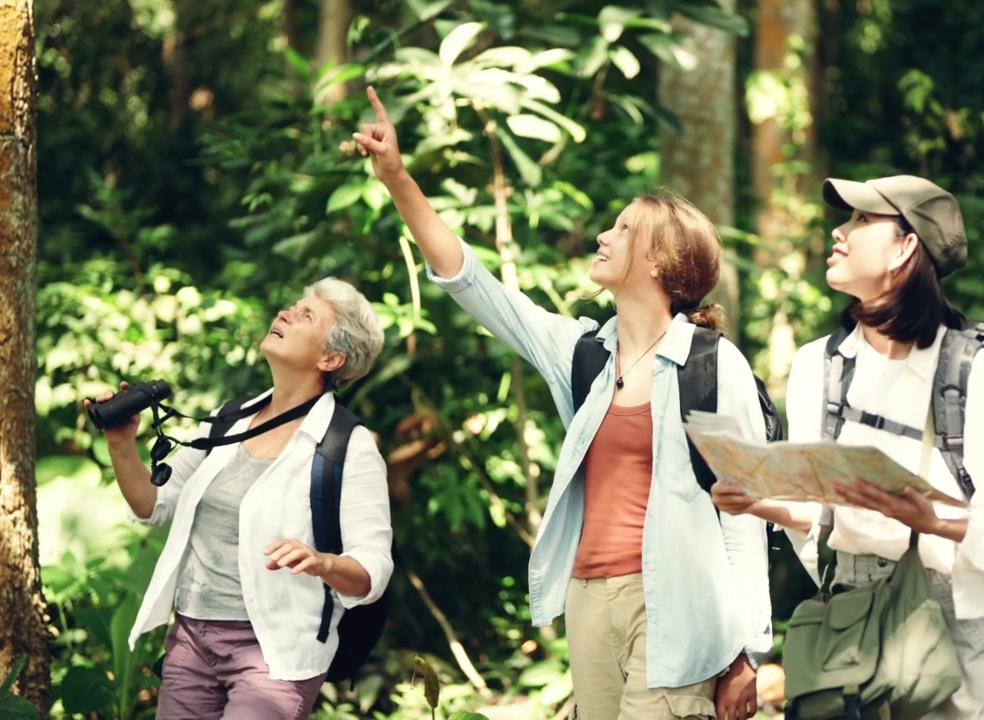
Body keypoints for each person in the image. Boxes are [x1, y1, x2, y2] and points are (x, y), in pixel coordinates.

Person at [352, 86, 771, 720]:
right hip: (588, 597)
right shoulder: (584, 353)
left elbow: (744, 515)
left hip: (677, 604)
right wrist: (398, 180)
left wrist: (748, 652)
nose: (604, 235)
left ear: (660, 260)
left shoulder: (712, 366)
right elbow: (477, 286)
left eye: (624, 229)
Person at [711, 175, 984, 718]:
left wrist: (931, 518)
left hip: (951, 625)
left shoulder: (966, 366)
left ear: (907, 247)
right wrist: (759, 502)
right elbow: (820, 507)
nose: (839, 232)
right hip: (850, 621)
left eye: (863, 220)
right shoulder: (819, 365)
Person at [89, 278, 393, 720]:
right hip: (191, 642)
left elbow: (374, 569)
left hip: (274, 655)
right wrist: (121, 444)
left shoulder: (348, 445)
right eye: (291, 306)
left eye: (305, 315)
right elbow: (153, 504)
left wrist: (321, 561)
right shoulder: (227, 419)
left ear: (331, 358)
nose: (285, 314)